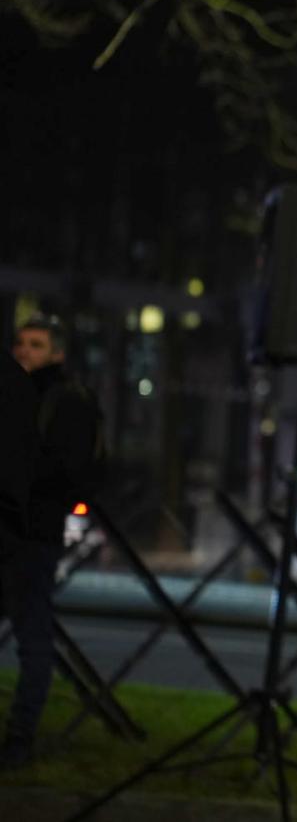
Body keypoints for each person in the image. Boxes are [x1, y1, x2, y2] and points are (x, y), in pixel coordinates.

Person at [2, 316, 100, 769]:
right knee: (32, 635)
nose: (24, 351)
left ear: (56, 353)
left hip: (31, 534)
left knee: (32, 637)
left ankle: (20, 739)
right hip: (22, 529)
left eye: (36, 345)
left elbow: (64, 470)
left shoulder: (66, 401)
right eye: (21, 343)